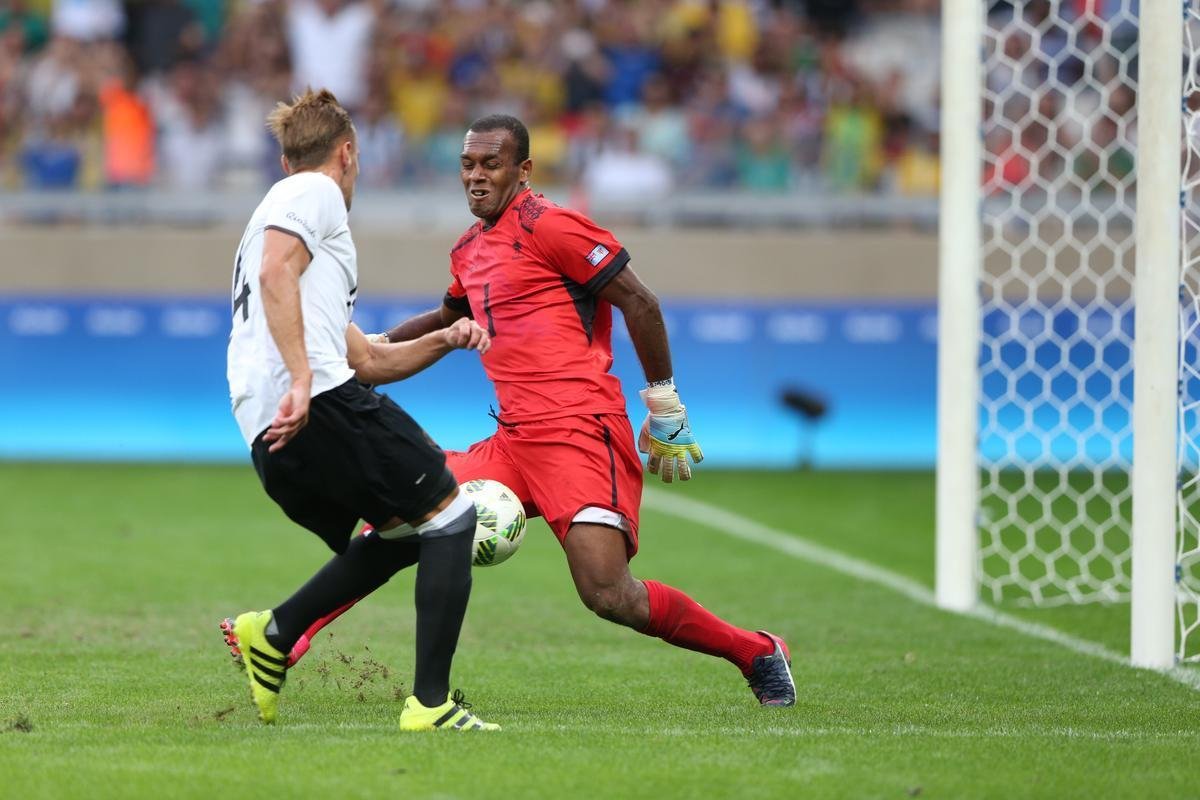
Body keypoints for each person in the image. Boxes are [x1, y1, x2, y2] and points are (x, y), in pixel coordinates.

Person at [229, 113, 796, 708]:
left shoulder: (554, 227)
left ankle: (755, 651)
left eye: (490, 165)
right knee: (406, 517)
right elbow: (447, 319)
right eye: (468, 165)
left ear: (522, 170)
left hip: (582, 431)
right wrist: (373, 346)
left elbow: (641, 303)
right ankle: (286, 636)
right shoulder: (469, 248)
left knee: (607, 593)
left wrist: (665, 404)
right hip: (514, 441)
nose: (476, 177)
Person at [222, 87, 500, 731]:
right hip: (312, 401)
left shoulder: (294, 225)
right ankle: (431, 706)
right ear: (347, 153)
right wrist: (299, 378)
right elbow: (274, 276)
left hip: (275, 426)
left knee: (407, 531)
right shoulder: (312, 193)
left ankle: (276, 632)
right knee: (454, 517)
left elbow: (370, 363)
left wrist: (446, 337)